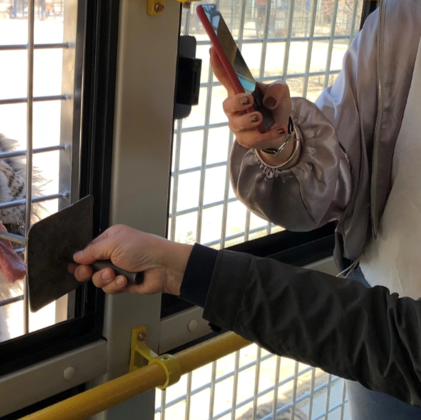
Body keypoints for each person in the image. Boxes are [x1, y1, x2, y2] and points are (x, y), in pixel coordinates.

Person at [72, 0, 421, 417]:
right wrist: (283, 143)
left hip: (385, 333)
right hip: (378, 292)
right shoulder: (401, 22)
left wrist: (183, 270)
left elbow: (406, 345)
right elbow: (338, 174)